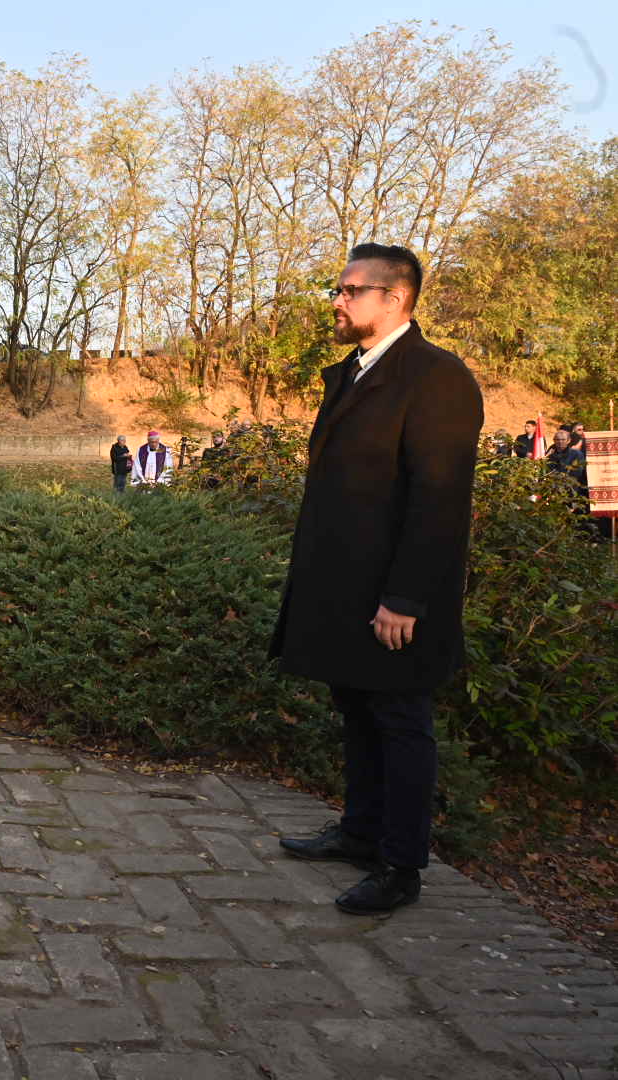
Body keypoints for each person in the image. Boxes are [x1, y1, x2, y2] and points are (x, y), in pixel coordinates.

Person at [273, 243, 483, 917]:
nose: (336, 300)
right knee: (357, 710)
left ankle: (401, 865)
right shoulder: (352, 373)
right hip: (344, 588)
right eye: (335, 289)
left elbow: (440, 497)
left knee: (399, 718)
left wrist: (406, 597)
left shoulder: (437, 377)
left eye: (349, 289)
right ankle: (361, 830)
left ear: (394, 299)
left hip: (396, 595)